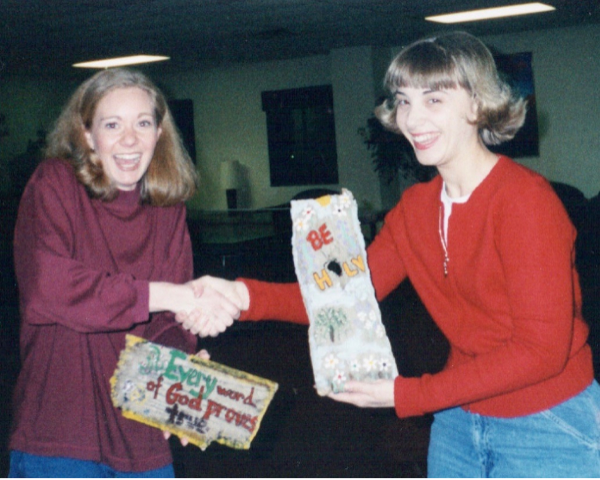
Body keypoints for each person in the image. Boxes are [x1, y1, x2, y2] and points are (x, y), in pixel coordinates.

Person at [184, 32, 600, 477]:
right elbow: (343, 299)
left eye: (433, 100)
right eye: (403, 101)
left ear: (478, 105)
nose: (412, 118)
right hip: (460, 419)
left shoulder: (525, 202)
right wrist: (241, 296)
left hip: (549, 421)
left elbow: (541, 351)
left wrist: (408, 395)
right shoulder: (416, 209)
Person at [8, 68, 239, 478]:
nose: (129, 139)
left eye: (143, 123)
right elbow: (49, 288)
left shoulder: (167, 210)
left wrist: (181, 377)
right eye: (112, 125)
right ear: (86, 135)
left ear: (159, 134)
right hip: (60, 432)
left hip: (141, 436)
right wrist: (169, 294)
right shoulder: (54, 184)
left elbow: (167, 325)